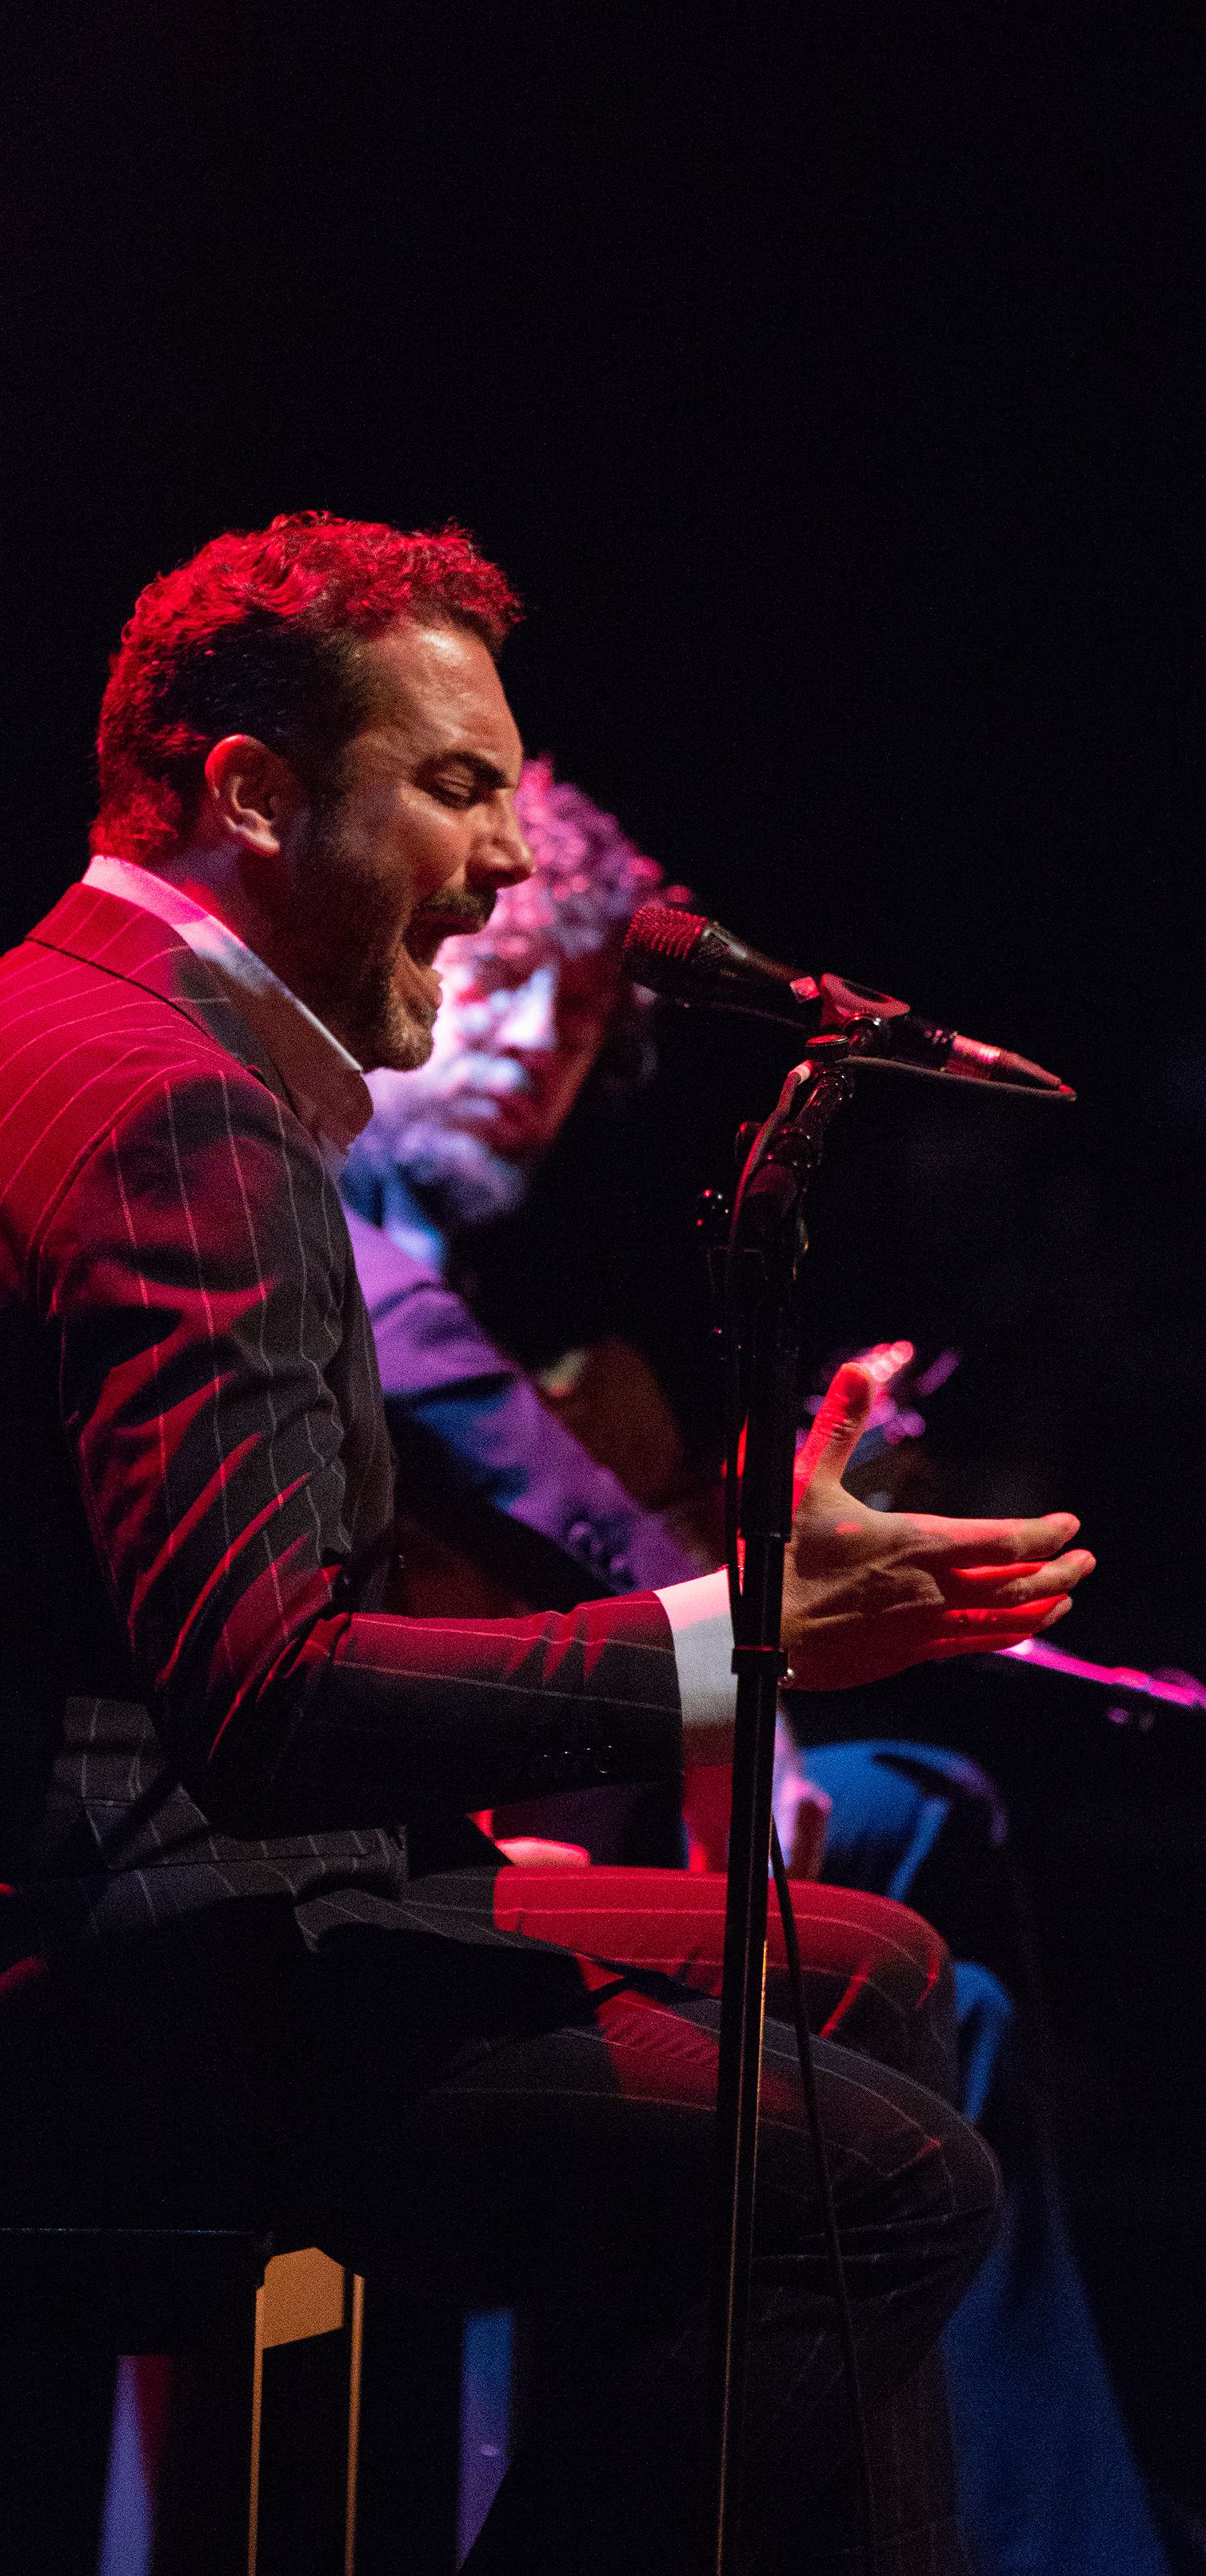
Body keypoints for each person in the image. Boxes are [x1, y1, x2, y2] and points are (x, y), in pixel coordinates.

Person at [0, 512, 1094, 2574]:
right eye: (452, 787)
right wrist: (736, 1640)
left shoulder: (38, 1028)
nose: (507, 862)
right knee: (875, 2182)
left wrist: (505, 1829)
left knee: (862, 1974)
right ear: (250, 793)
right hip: (13, 2016)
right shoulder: (167, 1109)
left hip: (28, 1947)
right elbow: (266, 1691)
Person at [341, 759, 1171, 2575]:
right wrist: (760, 1626)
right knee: (913, 1948)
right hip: (417, 1844)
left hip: (523, 1795)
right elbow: (578, 1547)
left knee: (921, 1879)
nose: (527, 1052)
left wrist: (776, 1562)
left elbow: (594, 1545)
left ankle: (1008, 2522)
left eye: (574, 1020)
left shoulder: (464, 1288)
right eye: (495, 981)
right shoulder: (338, 1247)